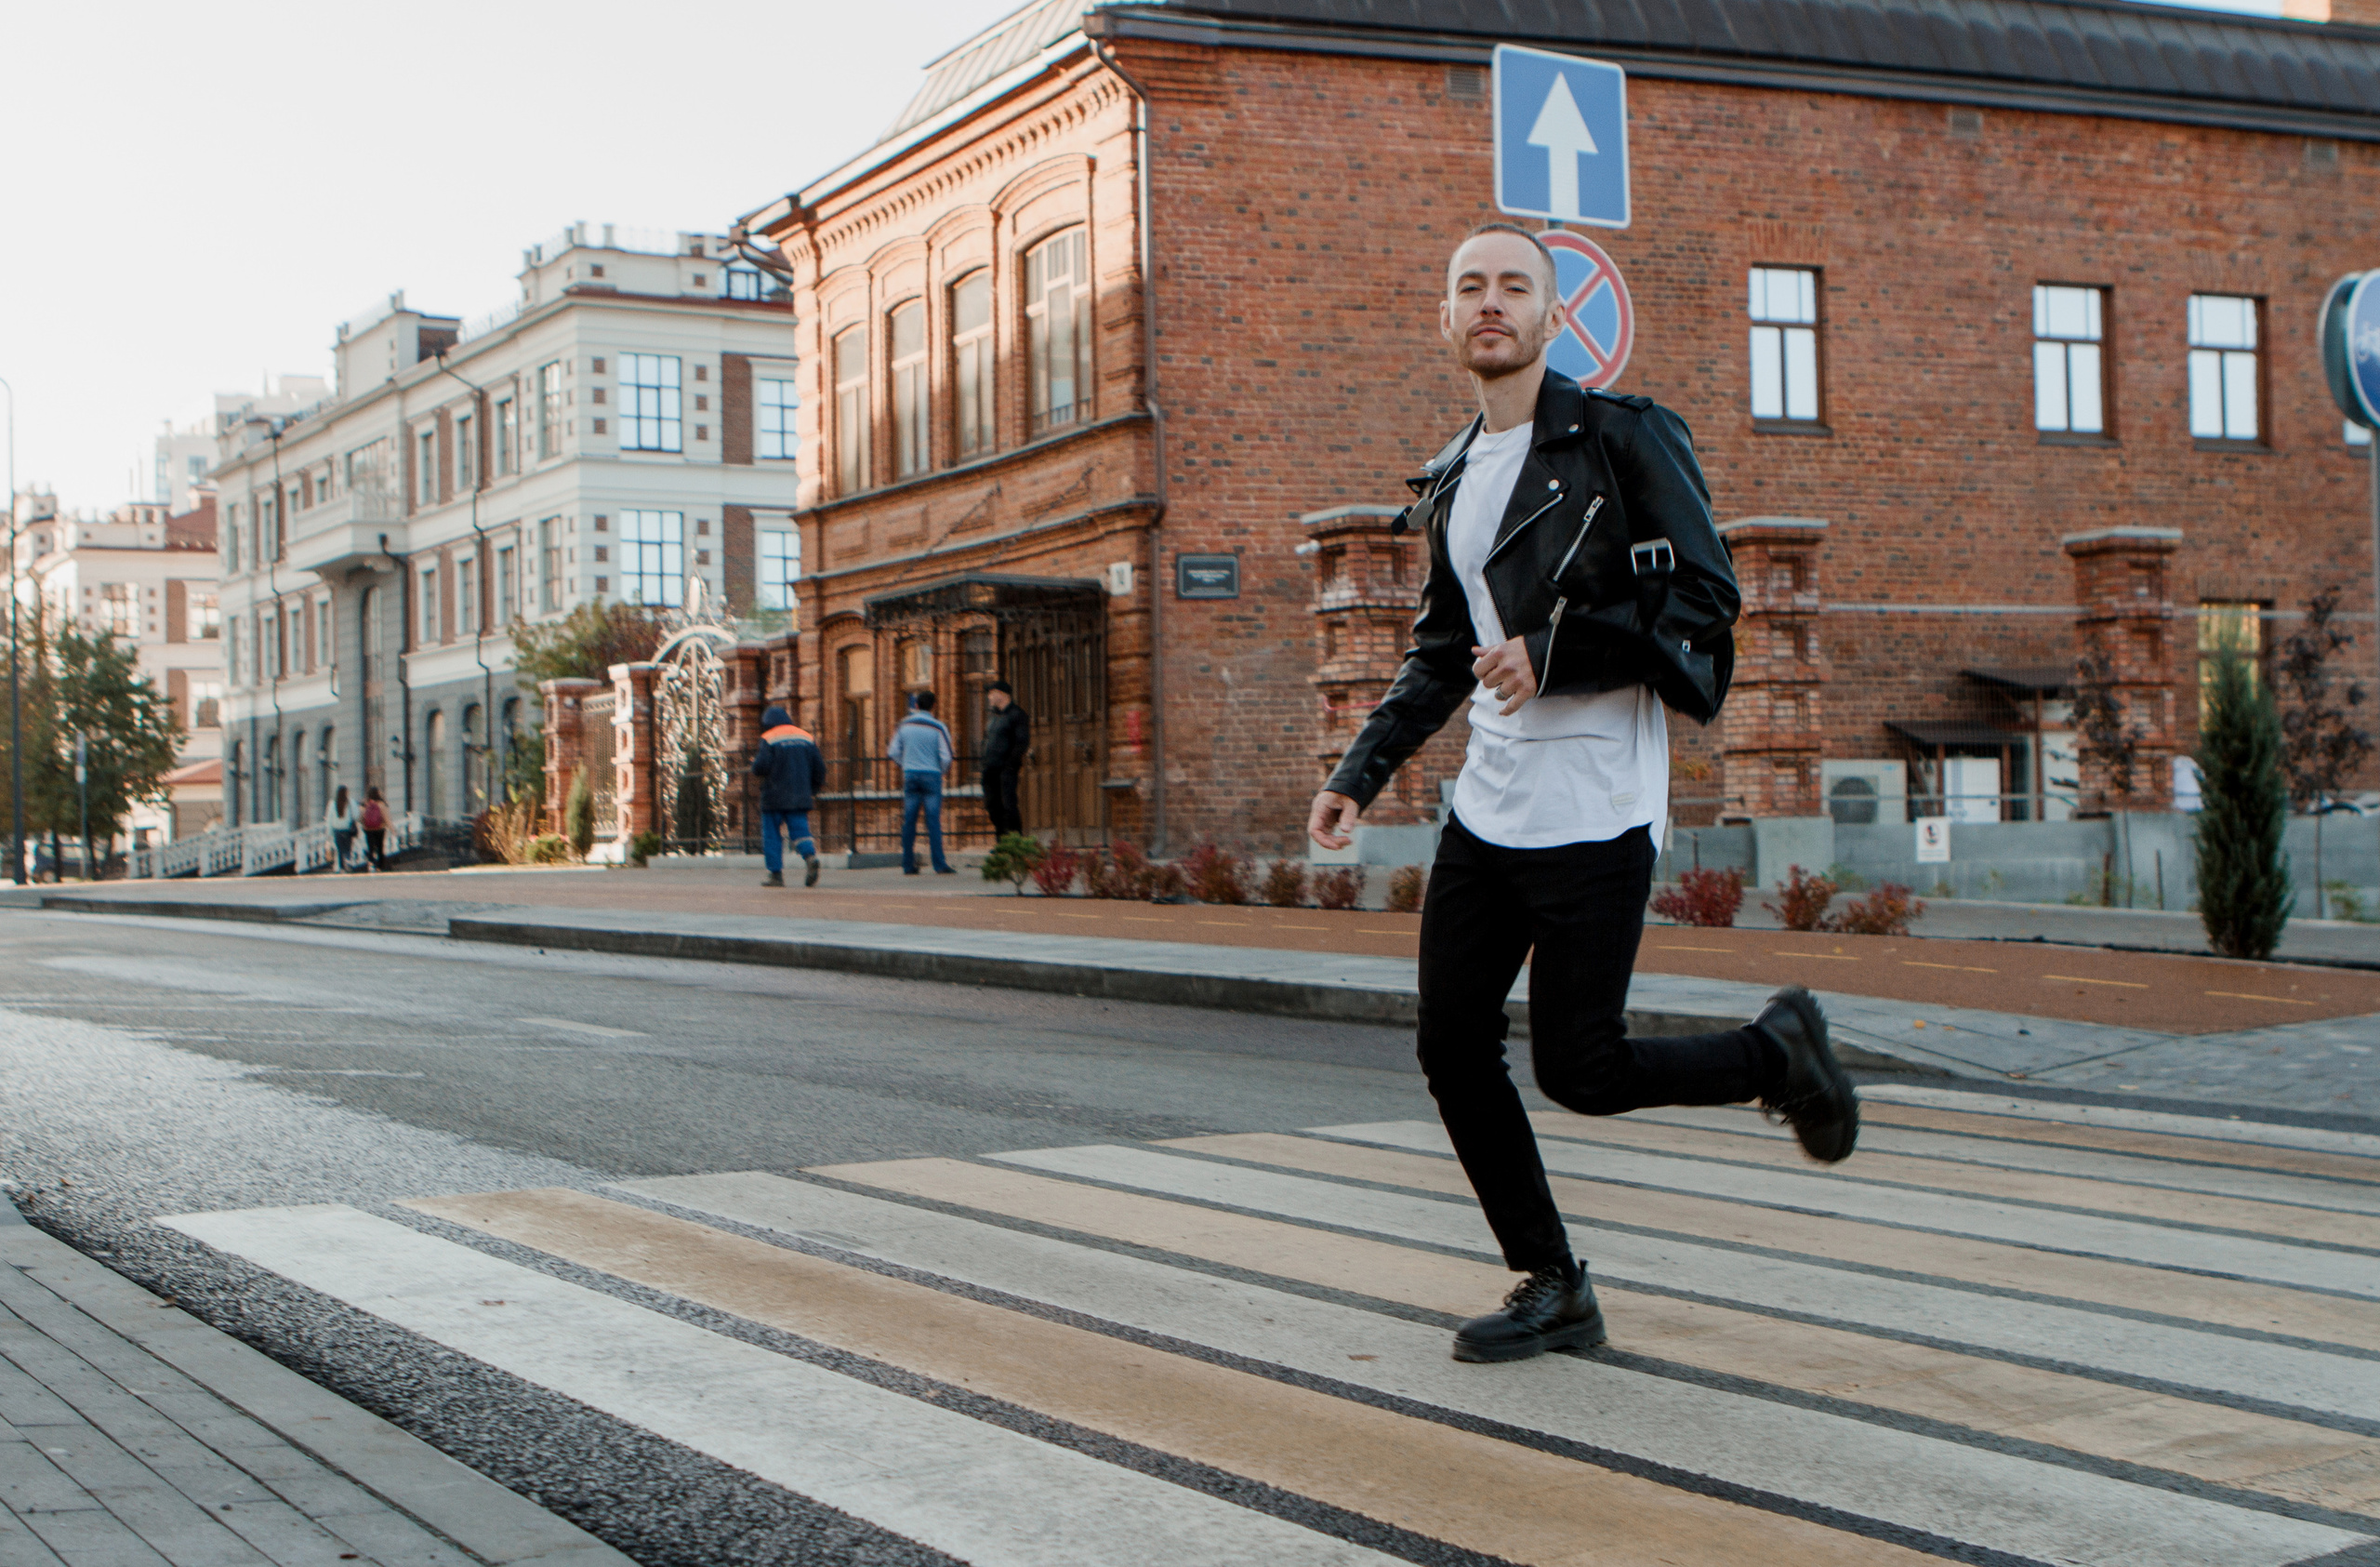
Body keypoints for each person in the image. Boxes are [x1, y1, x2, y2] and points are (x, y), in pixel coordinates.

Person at [1306, 222, 1858, 1366]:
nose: (1490, 303)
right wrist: (1358, 773)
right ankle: (1552, 1280)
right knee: (1451, 1048)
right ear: (1445, 318)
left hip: (1597, 807)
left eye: (1515, 285)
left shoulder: (1622, 437)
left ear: (1555, 316)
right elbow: (1442, 652)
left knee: (1583, 1070)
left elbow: (1707, 599)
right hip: (1489, 807)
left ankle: (1777, 1052)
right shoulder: (1453, 476)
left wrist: (1559, 651)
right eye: (1470, 286)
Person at [751, 704, 826, 887]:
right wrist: (812, 790)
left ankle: (775, 874)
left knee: (772, 835)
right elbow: (820, 769)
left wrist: (755, 764)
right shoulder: (806, 737)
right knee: (800, 831)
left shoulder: (769, 738)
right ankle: (809, 857)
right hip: (800, 795)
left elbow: (761, 767)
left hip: (773, 795)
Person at [888, 691, 957, 875]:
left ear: (916, 705)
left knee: (909, 820)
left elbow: (893, 751)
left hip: (910, 775)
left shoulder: (904, 725)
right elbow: (946, 756)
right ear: (933, 706)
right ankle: (939, 864)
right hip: (932, 776)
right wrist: (940, 771)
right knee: (933, 821)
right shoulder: (938, 727)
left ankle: (908, 864)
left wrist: (906, 764)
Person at [978, 680, 1029, 839]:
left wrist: (1010, 765)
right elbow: (988, 740)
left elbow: (1021, 742)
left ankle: (1015, 841)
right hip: (990, 769)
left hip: (1005, 770)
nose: (989, 697)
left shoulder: (1017, 715)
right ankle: (1001, 840)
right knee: (992, 806)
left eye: (992, 694)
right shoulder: (994, 717)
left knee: (1008, 806)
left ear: (1003, 695)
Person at [326, 786, 358, 872]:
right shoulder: (350, 802)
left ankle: (341, 867)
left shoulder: (333, 803)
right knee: (348, 848)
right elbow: (356, 815)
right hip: (347, 829)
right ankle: (348, 862)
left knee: (340, 849)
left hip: (337, 830)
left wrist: (329, 833)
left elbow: (329, 819)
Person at [360, 788, 389, 872]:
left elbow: (361, 817)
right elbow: (386, 818)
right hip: (379, 828)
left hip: (368, 829)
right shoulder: (381, 804)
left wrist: (363, 824)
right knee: (380, 847)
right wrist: (392, 829)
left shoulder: (365, 804)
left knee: (370, 847)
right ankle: (380, 867)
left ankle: (371, 863)